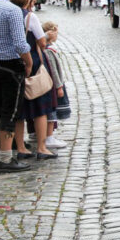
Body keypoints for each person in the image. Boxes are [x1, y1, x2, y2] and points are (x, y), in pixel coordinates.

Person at [0, 0, 33, 173]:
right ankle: (5, 158)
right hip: (10, 66)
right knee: (9, 111)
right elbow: (20, 43)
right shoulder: (12, 10)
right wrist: (29, 62)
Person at [11, 0, 57, 160]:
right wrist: (47, 36)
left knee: (19, 109)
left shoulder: (11, 14)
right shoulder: (30, 17)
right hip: (32, 62)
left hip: (14, 62)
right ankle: (41, 147)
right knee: (40, 107)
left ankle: (21, 147)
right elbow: (42, 42)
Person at [41, 21, 70, 149]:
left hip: (52, 84)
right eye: (56, 32)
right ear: (51, 33)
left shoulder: (48, 49)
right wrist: (59, 86)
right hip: (53, 85)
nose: (57, 35)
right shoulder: (49, 51)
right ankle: (49, 137)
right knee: (52, 112)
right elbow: (53, 70)